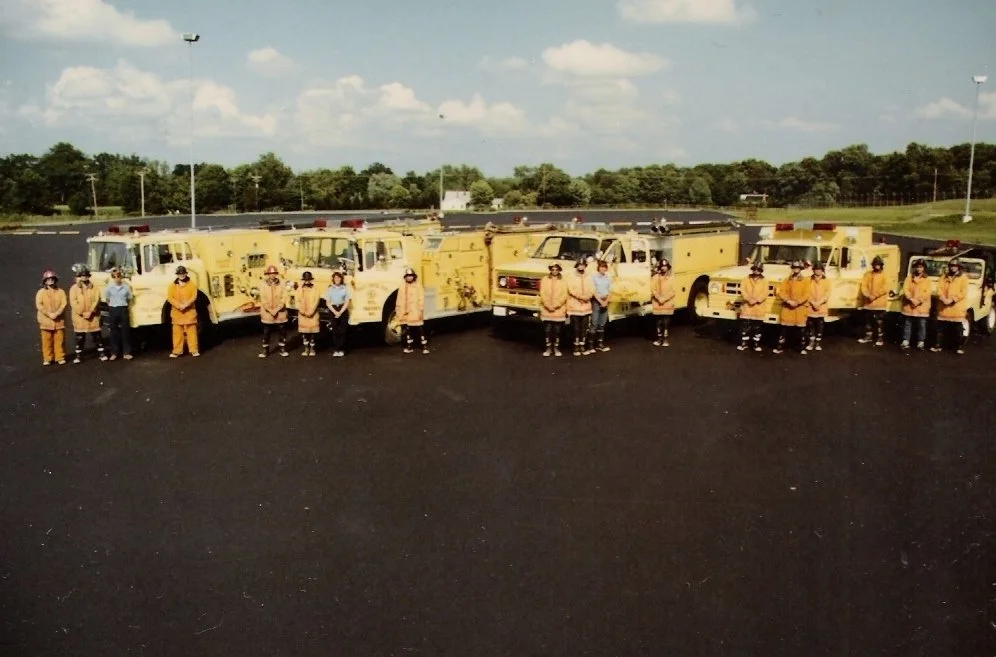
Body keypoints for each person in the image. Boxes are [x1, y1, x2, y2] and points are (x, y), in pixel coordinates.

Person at [932, 258, 969, 355]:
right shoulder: (943, 277)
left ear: (959, 267)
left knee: (958, 330)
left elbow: (963, 292)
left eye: (955, 266)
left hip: (957, 308)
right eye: (951, 266)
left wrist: (953, 299)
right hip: (943, 307)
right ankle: (938, 345)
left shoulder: (963, 278)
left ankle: (960, 347)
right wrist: (943, 298)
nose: (953, 268)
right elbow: (939, 288)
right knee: (940, 328)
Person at [69, 264, 105, 363]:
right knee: (80, 337)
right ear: (78, 277)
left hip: (93, 316)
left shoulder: (95, 287)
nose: (84, 277)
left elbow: (97, 299)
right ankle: (78, 356)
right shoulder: (74, 288)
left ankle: (101, 354)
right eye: (81, 275)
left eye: (85, 275)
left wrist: (91, 311)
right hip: (79, 317)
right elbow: (73, 302)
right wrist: (82, 313)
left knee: (97, 335)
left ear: (89, 276)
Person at [773, 260, 810, 355]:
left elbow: (806, 294)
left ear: (801, 269)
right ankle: (780, 347)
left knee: (801, 329)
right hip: (788, 307)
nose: (796, 269)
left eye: (798, 268)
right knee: (784, 329)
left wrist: (797, 302)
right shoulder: (787, 280)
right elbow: (781, 291)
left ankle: (802, 348)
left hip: (800, 308)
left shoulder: (806, 281)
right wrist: (788, 300)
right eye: (794, 268)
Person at [166, 265, 199, 358]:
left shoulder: (192, 284)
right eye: (180, 274)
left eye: (183, 273)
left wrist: (186, 304)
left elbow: (194, 296)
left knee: (191, 331)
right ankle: (177, 351)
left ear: (186, 273)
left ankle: (194, 350)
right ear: (177, 275)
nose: (182, 275)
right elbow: (170, 297)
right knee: (177, 333)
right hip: (177, 312)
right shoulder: (172, 286)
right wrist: (178, 305)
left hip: (189, 312)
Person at [36, 269, 68, 366]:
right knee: (46, 341)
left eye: (52, 279)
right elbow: (39, 305)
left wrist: (57, 313)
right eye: (48, 279)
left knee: (60, 340)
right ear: (45, 281)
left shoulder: (61, 292)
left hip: (59, 321)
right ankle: (47, 358)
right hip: (45, 321)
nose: (50, 281)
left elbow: (64, 303)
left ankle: (60, 357)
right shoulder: (41, 292)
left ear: (55, 280)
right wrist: (49, 314)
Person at [858, 255, 890, 346]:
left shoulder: (885, 275)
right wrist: (867, 295)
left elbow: (885, 288)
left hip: (880, 303)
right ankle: (868, 336)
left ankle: (880, 338)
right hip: (868, 303)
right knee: (868, 321)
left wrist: (874, 295)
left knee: (879, 322)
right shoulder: (867, 274)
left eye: (878, 264)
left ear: (881, 265)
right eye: (875, 264)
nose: (877, 266)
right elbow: (863, 286)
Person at [900, 259, 931, 351]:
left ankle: (921, 342)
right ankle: (906, 340)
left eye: (921, 267)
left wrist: (919, 301)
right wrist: (911, 298)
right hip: (910, 305)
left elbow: (928, 292)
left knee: (921, 324)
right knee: (908, 323)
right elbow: (905, 289)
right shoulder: (909, 278)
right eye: (917, 267)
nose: (918, 269)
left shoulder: (927, 280)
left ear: (924, 269)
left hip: (922, 306)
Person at [103, 267, 134, 360]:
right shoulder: (109, 288)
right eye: (115, 277)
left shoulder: (126, 287)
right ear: (113, 277)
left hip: (123, 309)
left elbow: (129, 298)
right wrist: (112, 306)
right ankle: (114, 353)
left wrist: (124, 306)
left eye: (119, 276)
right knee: (113, 332)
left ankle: (126, 352)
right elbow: (107, 299)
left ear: (121, 277)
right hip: (113, 309)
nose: (117, 278)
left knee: (126, 332)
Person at [259, 264, 289, 358]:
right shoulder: (263, 285)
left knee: (282, 330)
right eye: (270, 273)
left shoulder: (282, 283)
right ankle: (265, 350)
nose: (272, 275)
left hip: (280, 312)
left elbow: (284, 297)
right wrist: (269, 309)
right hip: (267, 312)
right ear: (267, 274)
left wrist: (277, 308)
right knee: (266, 331)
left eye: (274, 273)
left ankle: (282, 348)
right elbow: (263, 298)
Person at [539, 263, 568, 356]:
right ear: (550, 270)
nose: (554, 271)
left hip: (558, 309)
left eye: (556, 269)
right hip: (546, 308)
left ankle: (556, 348)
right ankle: (548, 348)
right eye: (553, 269)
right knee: (547, 329)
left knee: (557, 330)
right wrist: (547, 305)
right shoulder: (544, 279)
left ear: (559, 270)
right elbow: (542, 293)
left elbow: (564, 294)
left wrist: (556, 305)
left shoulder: (563, 280)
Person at [566, 258, 595, 356]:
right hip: (575, 304)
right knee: (576, 327)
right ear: (577, 265)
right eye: (580, 264)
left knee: (584, 326)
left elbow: (592, 288)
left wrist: (587, 297)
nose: (581, 266)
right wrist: (580, 297)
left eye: (583, 265)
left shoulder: (589, 276)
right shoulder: (571, 276)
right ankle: (576, 346)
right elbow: (571, 289)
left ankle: (582, 345)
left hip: (586, 305)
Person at [737, 263, 767, 352]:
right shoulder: (746, 279)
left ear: (761, 271)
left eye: (758, 269)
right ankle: (744, 343)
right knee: (745, 326)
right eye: (754, 269)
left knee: (757, 327)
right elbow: (742, 290)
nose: (756, 271)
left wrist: (757, 299)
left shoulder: (765, 281)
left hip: (759, 307)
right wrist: (748, 299)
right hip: (747, 306)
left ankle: (756, 344)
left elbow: (765, 292)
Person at [398, 267, 428, 354]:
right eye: (408, 276)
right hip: (407, 312)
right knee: (408, 329)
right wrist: (400, 311)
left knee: (420, 329)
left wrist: (421, 309)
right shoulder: (403, 286)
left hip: (416, 311)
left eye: (411, 275)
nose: (409, 277)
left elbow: (421, 298)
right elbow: (400, 299)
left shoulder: (418, 286)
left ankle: (424, 347)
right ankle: (409, 347)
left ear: (414, 276)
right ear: (405, 277)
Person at [324, 269, 352, 357]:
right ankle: (336, 349)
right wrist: (335, 311)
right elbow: (327, 302)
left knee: (342, 331)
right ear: (333, 279)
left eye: (338, 278)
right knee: (335, 331)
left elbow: (347, 301)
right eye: (335, 278)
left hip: (342, 309)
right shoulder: (330, 289)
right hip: (333, 309)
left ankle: (342, 350)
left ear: (341, 279)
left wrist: (340, 312)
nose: (337, 279)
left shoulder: (345, 288)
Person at [805, 261, 831, 351]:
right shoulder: (808, 280)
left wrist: (819, 302)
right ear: (813, 270)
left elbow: (827, 293)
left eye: (819, 269)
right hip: (810, 306)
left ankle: (818, 342)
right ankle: (811, 341)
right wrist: (812, 302)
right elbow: (806, 293)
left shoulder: (826, 281)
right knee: (810, 324)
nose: (818, 271)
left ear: (822, 270)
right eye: (816, 269)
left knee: (820, 324)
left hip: (821, 306)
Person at [296, 271, 321, 357]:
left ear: (311, 280)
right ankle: (306, 348)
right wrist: (302, 311)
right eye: (305, 280)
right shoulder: (299, 290)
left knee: (313, 332)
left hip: (312, 313)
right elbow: (297, 301)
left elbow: (316, 301)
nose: (307, 281)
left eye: (309, 279)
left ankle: (312, 348)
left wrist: (311, 311)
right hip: (303, 314)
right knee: (304, 332)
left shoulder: (315, 289)